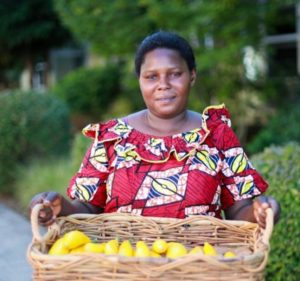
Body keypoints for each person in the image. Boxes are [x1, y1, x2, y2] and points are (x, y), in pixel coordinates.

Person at [29, 31, 280, 229]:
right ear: (139, 79)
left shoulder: (216, 135)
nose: (163, 85)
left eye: (174, 74)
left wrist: (260, 213)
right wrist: (58, 207)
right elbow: (87, 208)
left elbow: (238, 210)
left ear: (191, 76)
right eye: (151, 77)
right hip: (122, 266)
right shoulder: (113, 138)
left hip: (201, 267)